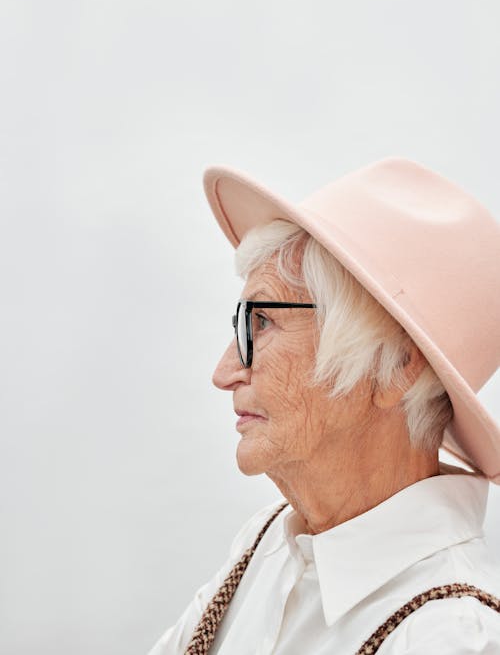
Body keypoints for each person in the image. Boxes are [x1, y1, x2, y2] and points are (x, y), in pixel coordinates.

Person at [148, 159, 500, 654]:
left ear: (397, 365)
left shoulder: (452, 638)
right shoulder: (267, 543)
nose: (224, 372)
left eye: (263, 322)